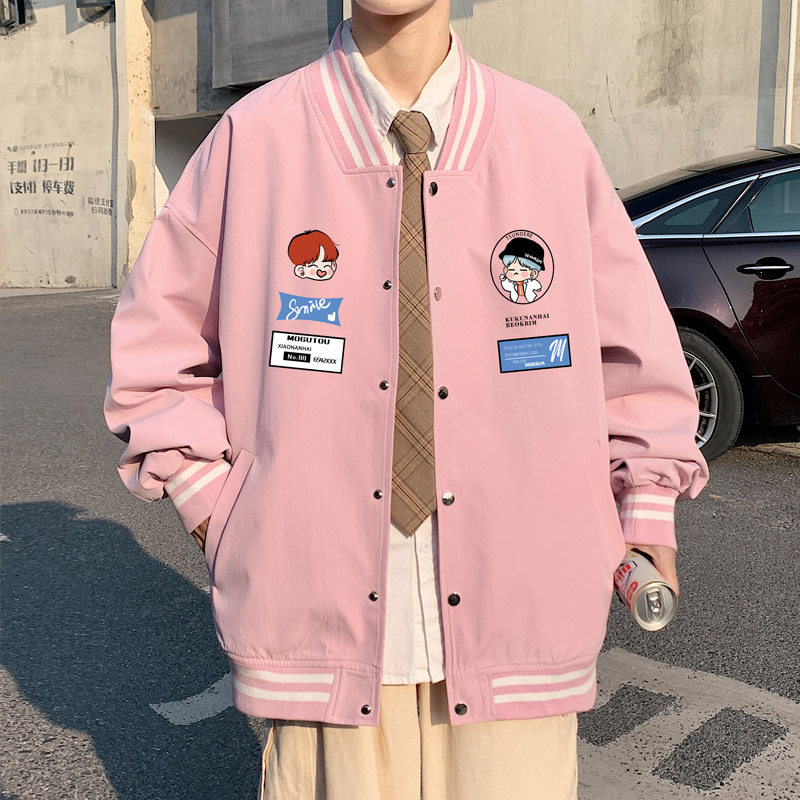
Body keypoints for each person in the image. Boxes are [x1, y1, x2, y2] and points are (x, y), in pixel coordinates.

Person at [103, 1, 709, 797]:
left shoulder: (549, 139)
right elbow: (155, 351)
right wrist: (224, 515)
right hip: (313, 604)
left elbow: (635, 362)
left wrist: (646, 507)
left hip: (524, 603)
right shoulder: (256, 139)